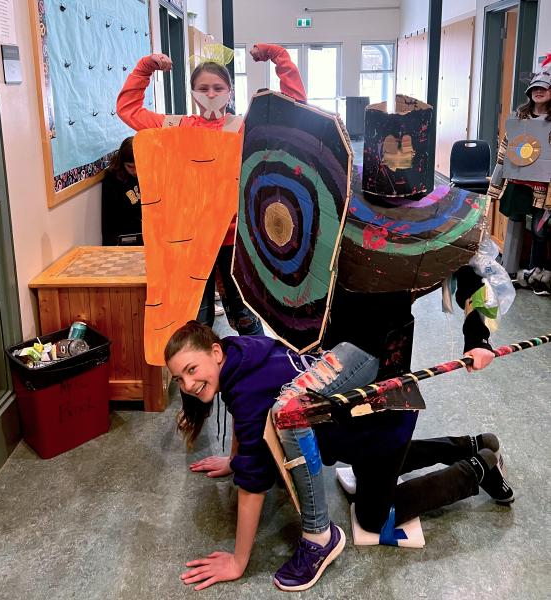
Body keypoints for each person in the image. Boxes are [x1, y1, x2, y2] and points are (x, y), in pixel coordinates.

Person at [165, 321, 513, 592]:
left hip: (378, 421)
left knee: (374, 518)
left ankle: (479, 465)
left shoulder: (245, 385)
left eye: (192, 370)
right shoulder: (240, 351)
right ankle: (468, 443)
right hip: (376, 413)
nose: (187, 385)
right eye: (179, 379)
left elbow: (253, 483)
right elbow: (247, 419)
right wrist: (232, 460)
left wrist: (238, 562)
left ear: (214, 352)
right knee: (370, 464)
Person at [117, 44, 306, 332]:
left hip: (237, 239)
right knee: (195, 316)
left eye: (218, 87)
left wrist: (278, 56)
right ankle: (200, 370)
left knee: (245, 313)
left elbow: (294, 109)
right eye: (203, 87)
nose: (211, 94)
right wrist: (146, 67)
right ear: (192, 92)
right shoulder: (176, 126)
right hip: (190, 241)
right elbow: (129, 110)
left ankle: (254, 370)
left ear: (230, 90)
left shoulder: (245, 127)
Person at [487, 59, 551, 295]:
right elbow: (506, 149)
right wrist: (496, 182)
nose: (539, 91)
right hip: (517, 182)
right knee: (514, 224)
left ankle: (536, 275)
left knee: (539, 230)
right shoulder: (518, 117)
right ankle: (510, 271)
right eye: (535, 88)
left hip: (543, 189)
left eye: (544, 88)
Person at [101, 137, 142, 246]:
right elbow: (108, 219)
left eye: (138, 166)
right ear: (122, 163)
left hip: (148, 235)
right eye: (130, 167)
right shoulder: (112, 179)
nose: (135, 172)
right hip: (126, 239)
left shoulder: (149, 171)